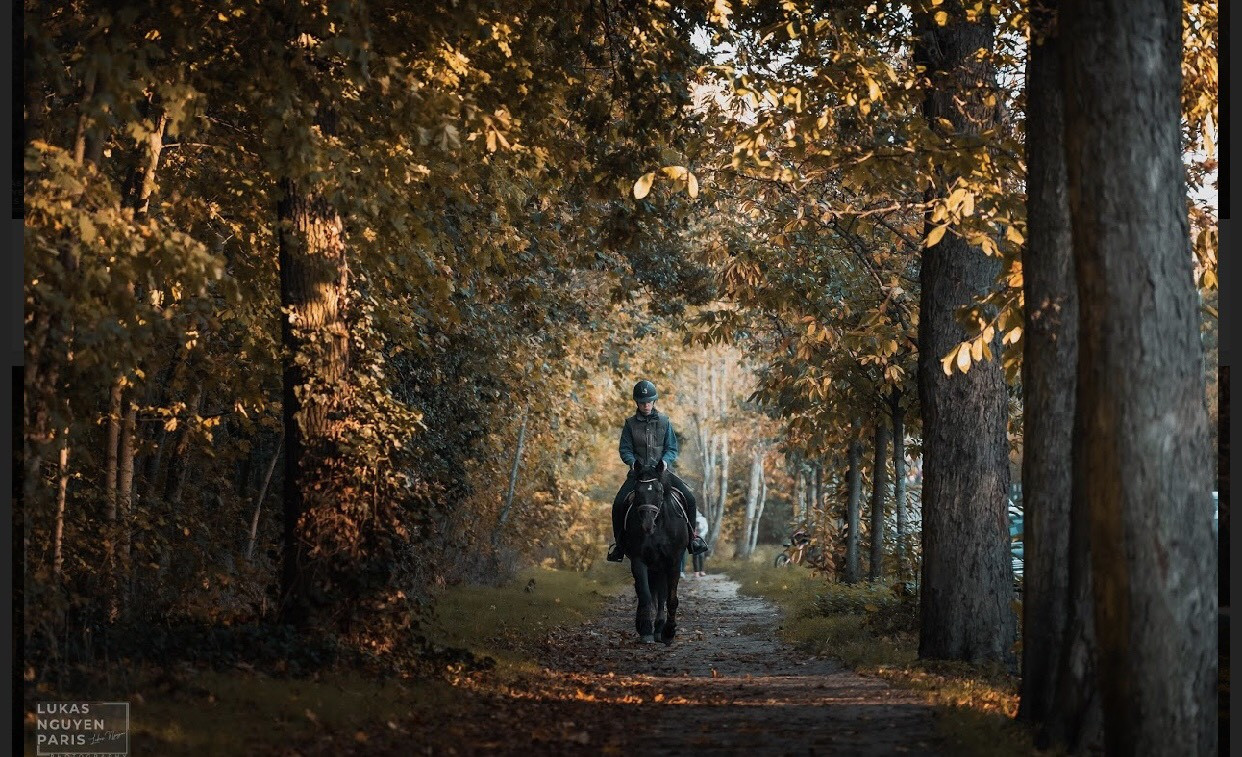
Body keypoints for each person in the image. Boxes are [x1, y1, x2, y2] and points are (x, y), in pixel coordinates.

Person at [607, 380, 710, 562]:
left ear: (654, 402)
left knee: (690, 498)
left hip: (661, 473)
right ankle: (619, 547)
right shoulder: (630, 424)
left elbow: (671, 448)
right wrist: (632, 462)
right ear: (637, 403)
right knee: (617, 505)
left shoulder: (664, 421)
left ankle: (693, 540)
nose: (646, 405)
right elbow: (625, 449)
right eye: (642, 402)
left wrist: (665, 461)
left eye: (649, 402)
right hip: (638, 475)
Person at [692, 511, 709, 576]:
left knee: (701, 555)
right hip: (694, 538)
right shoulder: (691, 519)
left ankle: (702, 570)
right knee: (695, 555)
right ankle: (696, 571)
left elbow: (706, 528)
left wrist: (701, 535)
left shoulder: (703, 519)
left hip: (701, 538)